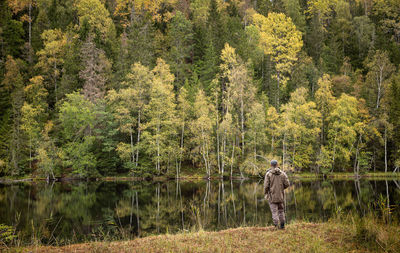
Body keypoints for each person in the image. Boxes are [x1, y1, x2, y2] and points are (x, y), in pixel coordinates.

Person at [264, 160, 290, 229]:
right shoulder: (283, 174)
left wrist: (266, 193)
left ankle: (276, 226)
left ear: (271, 165)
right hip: (281, 196)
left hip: (272, 196)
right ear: (277, 164)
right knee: (281, 211)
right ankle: (282, 226)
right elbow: (287, 184)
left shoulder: (268, 174)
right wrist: (281, 189)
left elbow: (266, 186)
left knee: (274, 212)